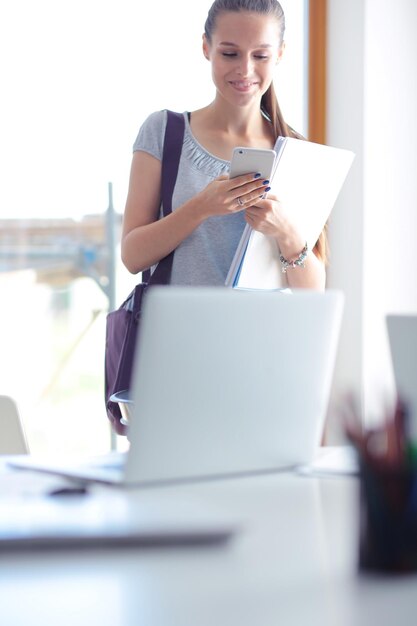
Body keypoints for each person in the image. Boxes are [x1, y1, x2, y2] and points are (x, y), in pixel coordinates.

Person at [121, 0, 326, 291]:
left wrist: (288, 233)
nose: (245, 69)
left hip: (260, 334)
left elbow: (313, 293)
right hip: (176, 334)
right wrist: (202, 207)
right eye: (230, 53)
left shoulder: (296, 153)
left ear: (280, 54)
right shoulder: (164, 131)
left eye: (261, 56)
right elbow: (131, 256)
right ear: (206, 47)